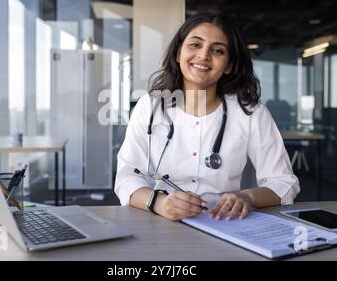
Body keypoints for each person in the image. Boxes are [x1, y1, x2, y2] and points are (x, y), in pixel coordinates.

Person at [114, 12, 300, 222]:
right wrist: (159, 203)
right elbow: (126, 176)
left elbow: (284, 182)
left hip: (226, 223)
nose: (203, 55)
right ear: (178, 53)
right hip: (161, 222)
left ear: (229, 65)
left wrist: (247, 196)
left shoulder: (251, 113)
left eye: (218, 50)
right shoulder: (150, 106)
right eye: (195, 45)